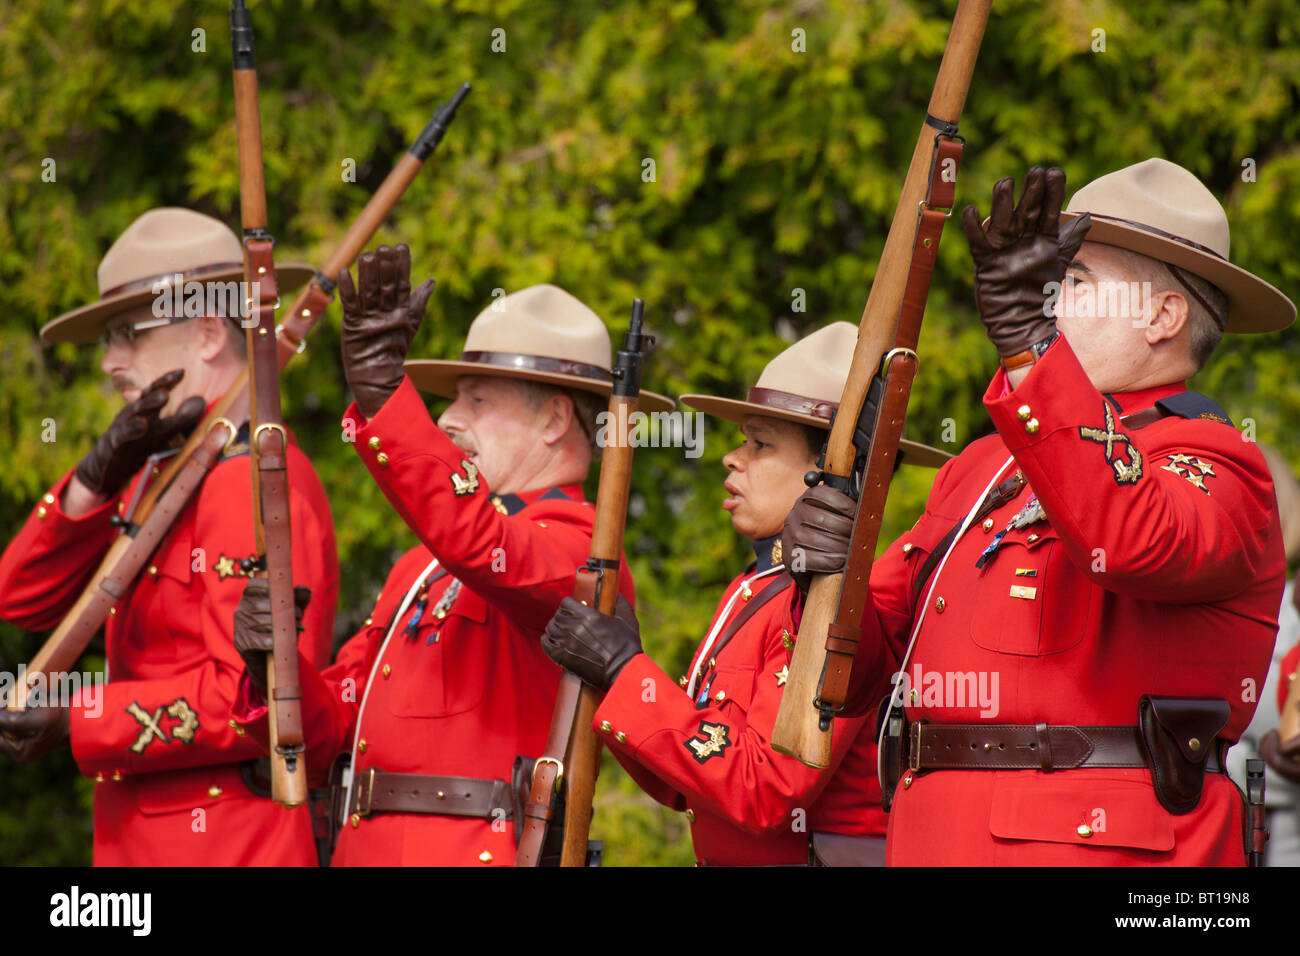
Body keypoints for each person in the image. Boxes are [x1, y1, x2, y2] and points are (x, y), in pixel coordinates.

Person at [784, 159, 1294, 865]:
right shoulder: (983, 465)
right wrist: (829, 571)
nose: (1047, 301)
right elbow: (867, 671)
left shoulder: (1217, 460)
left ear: (1163, 316)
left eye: (1074, 282)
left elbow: (1130, 538)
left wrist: (1030, 352)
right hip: (930, 837)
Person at [231, 245, 674, 865]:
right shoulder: (421, 567)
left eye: (478, 401)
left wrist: (387, 397)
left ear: (553, 419)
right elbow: (335, 724)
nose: (447, 419)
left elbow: (482, 543)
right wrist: (272, 668)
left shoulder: (582, 547)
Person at [0, 207, 338, 866]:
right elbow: (20, 599)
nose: (109, 362)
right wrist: (92, 484)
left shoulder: (252, 481)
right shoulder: (164, 470)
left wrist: (81, 718)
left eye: (127, 333)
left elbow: (257, 702)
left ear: (210, 331)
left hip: (229, 847)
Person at [541, 322, 948, 866]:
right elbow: (693, 786)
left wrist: (625, 674)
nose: (733, 459)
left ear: (830, 470)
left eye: (760, 443)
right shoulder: (753, 588)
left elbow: (763, 791)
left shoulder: (843, 606)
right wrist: (625, 682)